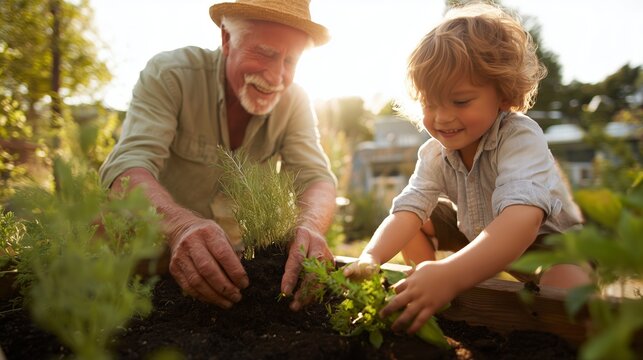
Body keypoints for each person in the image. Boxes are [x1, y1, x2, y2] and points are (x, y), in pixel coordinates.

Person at [343, 2, 591, 335]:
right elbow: (408, 209)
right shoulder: (434, 153)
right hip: (477, 229)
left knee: (568, 301)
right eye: (430, 103)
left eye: (460, 101)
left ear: (503, 94)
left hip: (549, 246)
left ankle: (445, 281)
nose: (442, 117)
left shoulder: (519, 136)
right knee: (418, 220)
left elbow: (522, 221)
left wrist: (452, 273)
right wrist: (371, 257)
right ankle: (431, 299)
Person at [99, 0, 337, 311]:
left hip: (232, 274)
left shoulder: (295, 102)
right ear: (226, 40)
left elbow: (317, 177)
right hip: (141, 264)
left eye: (290, 61)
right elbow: (127, 167)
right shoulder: (172, 76)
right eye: (265, 53)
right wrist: (179, 225)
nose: (276, 76)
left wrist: (310, 227)